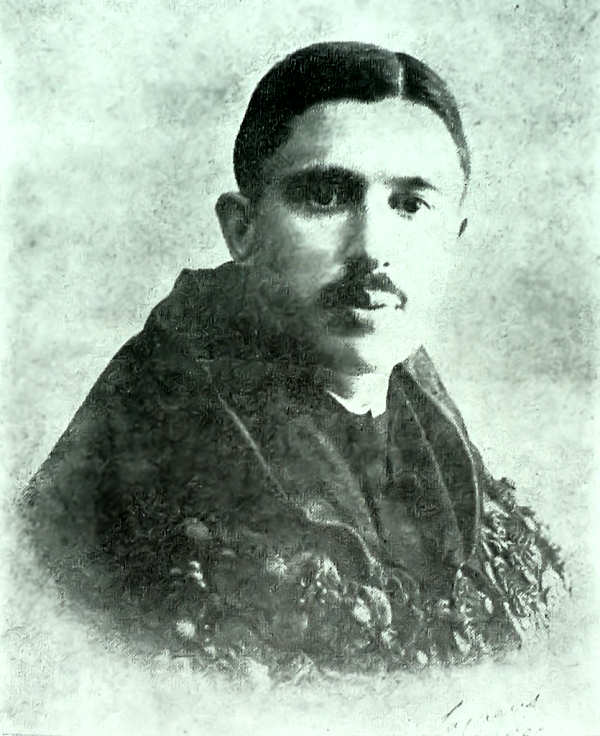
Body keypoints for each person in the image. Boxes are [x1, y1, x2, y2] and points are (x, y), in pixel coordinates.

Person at [21, 42, 565, 674]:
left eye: (410, 205)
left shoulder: (429, 428)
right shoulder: (152, 448)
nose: (372, 248)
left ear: (454, 239)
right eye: (326, 197)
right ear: (242, 229)